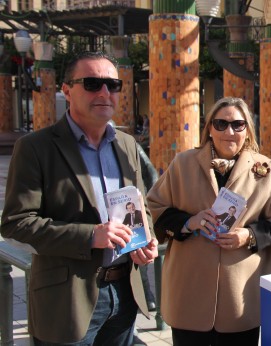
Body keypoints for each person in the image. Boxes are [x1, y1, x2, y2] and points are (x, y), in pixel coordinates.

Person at [0, 51, 158, 345]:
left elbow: (139, 205)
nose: (104, 92)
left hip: (125, 290)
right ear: (66, 90)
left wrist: (145, 239)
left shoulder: (126, 144)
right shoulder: (35, 147)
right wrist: (90, 236)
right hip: (67, 299)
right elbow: (16, 224)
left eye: (113, 85)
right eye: (92, 83)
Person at [147, 97, 271, 345]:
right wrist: (189, 221)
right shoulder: (183, 163)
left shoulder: (265, 168)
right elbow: (156, 207)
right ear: (210, 129)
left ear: (247, 130)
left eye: (238, 124)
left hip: (241, 296)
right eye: (221, 123)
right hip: (189, 292)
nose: (229, 131)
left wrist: (249, 236)